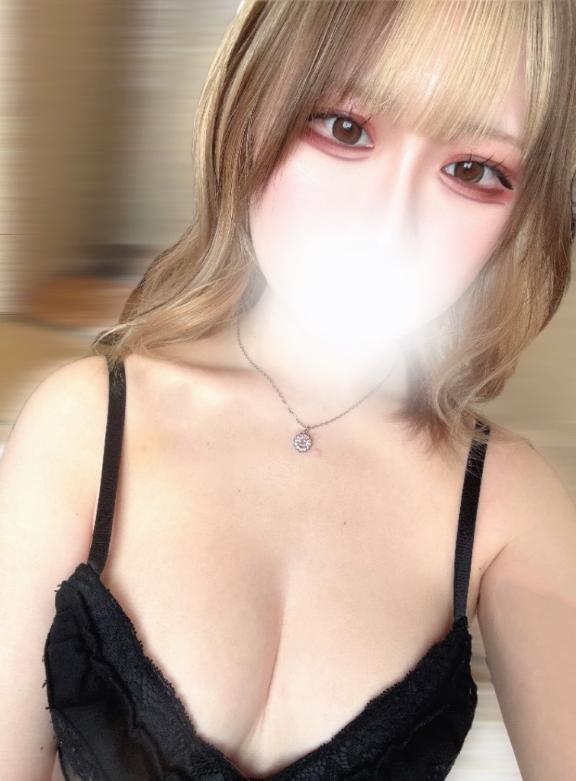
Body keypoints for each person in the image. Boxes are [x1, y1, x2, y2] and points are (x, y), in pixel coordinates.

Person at [1, 1, 576, 779]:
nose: (389, 223)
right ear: (252, 106)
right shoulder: (84, 426)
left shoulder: (511, 505)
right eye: (345, 128)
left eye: (473, 170)